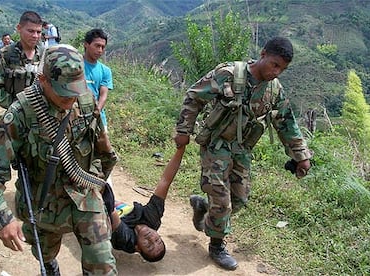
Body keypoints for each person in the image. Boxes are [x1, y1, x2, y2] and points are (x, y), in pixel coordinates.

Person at [0, 44, 117, 275]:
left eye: (75, 90)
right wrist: (3, 219)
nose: (71, 98)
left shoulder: (87, 102)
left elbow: (105, 153)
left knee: (102, 263)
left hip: (84, 197)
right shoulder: (23, 112)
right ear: (43, 80)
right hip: (42, 203)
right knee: (44, 255)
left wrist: (95, 182)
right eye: (63, 91)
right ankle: (50, 265)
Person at [174, 36, 313, 271]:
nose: (276, 72)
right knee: (222, 200)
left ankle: (203, 209)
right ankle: (217, 245)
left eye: (282, 69)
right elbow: (194, 96)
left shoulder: (274, 90)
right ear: (263, 54)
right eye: (274, 64)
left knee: (238, 199)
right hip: (216, 145)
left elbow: (287, 123)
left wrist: (302, 156)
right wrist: (183, 130)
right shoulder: (229, 74)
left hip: (241, 150)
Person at [110, 146, 186, 262]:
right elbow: (165, 181)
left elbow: (109, 207)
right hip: (121, 211)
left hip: (106, 215)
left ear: (137, 248)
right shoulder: (152, 219)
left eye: (148, 245)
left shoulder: (126, 239)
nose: (151, 238)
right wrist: (181, 148)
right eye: (157, 240)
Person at [0, 11, 45, 109]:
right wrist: (16, 106)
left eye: (38, 32)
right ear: (19, 28)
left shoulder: (46, 55)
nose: (35, 36)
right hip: (16, 114)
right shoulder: (6, 54)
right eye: (31, 31)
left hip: (43, 113)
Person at [83, 28, 117, 185]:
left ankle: (106, 196)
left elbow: (103, 94)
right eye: (97, 46)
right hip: (75, 120)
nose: (100, 50)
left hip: (98, 121)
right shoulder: (75, 66)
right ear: (86, 45)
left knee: (104, 158)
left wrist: (96, 112)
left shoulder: (105, 71)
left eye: (103, 47)